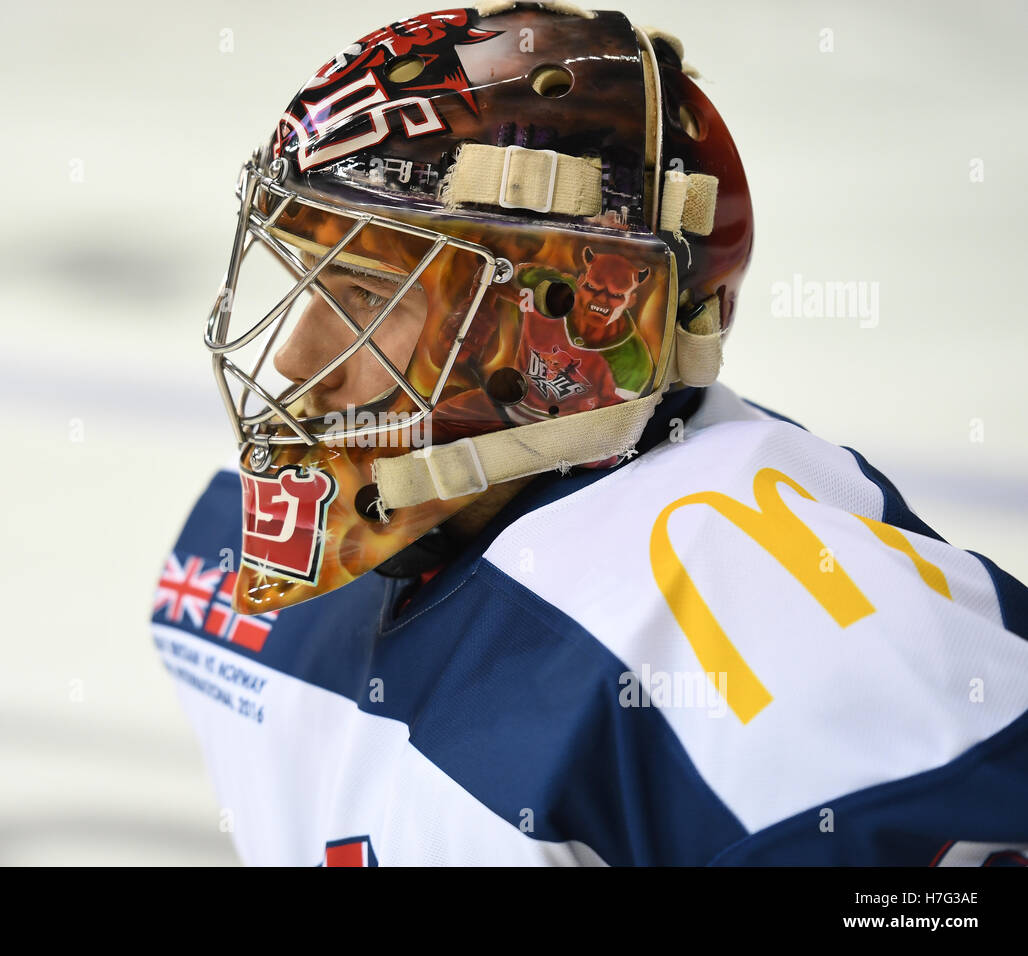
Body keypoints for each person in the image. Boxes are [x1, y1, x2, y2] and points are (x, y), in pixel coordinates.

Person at [152, 3, 1028, 866]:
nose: (297, 359)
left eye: (364, 294)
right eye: (310, 281)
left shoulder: (780, 643)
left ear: (567, 309)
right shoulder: (237, 563)